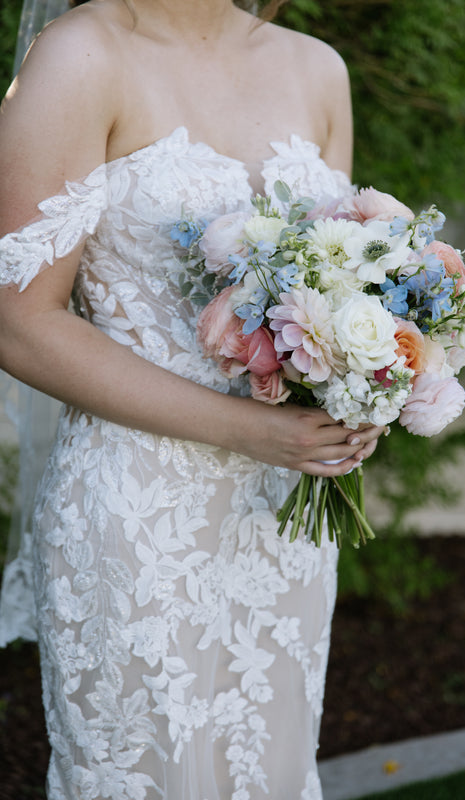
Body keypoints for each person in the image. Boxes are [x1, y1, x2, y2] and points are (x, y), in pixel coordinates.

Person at [0, 0, 385, 796]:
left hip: (282, 517)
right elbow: (18, 320)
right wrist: (253, 430)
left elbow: (344, 287)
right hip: (140, 518)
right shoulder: (80, 57)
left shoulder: (317, 68)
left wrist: (356, 393)